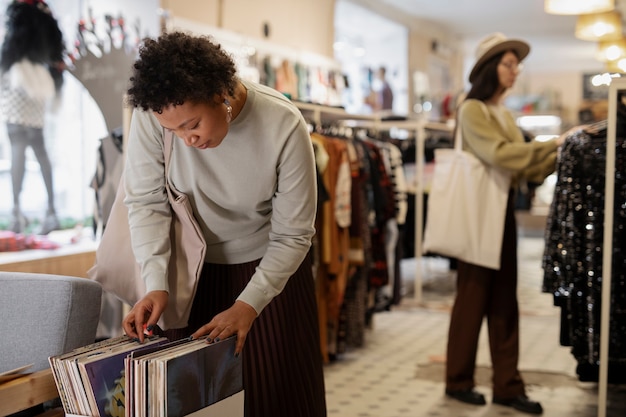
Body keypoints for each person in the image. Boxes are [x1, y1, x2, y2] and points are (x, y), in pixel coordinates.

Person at [121, 31, 327, 417]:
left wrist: (249, 304)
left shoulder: (283, 124)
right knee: (200, 402)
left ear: (221, 94)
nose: (186, 140)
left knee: (275, 394)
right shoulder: (155, 115)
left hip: (270, 274)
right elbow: (147, 203)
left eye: (192, 124)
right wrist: (156, 283)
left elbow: (293, 234)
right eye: (174, 131)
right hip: (190, 274)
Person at [444, 32, 579, 415]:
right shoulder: (472, 110)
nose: (515, 70)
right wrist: (554, 146)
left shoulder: (501, 112)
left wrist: (558, 152)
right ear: (489, 68)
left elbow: (520, 163)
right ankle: (459, 380)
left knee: (504, 300)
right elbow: (501, 155)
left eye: (516, 63)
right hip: (478, 213)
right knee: (472, 298)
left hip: (498, 211)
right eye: (507, 63)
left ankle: (507, 384)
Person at [0, 0, 64, 235]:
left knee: (18, 144)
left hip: (17, 79)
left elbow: (9, 50)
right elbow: (57, 51)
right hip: (39, 82)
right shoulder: (45, 14)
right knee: (38, 147)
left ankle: (16, 213)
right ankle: (51, 211)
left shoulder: (19, 12)